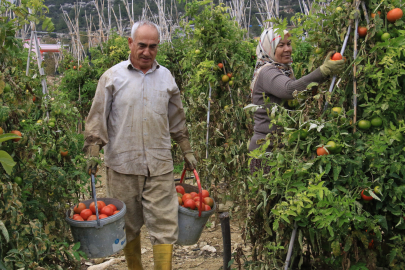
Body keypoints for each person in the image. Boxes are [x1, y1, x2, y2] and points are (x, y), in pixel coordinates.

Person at [83, 21, 197, 270]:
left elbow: (177, 118)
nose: (147, 52)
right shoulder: (112, 77)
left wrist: (186, 148)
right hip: (123, 165)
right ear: (130, 43)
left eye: (153, 46)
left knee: (165, 225)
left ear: (158, 47)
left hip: (159, 165)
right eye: (142, 45)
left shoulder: (166, 77)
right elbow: (97, 117)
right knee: (128, 226)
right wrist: (93, 149)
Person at [249, 27, 345, 174]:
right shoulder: (267, 72)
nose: (287, 49)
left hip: (281, 148)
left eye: (289, 44)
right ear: (269, 48)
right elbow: (289, 90)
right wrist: (323, 71)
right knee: (270, 194)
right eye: (281, 45)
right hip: (266, 150)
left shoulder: (284, 70)